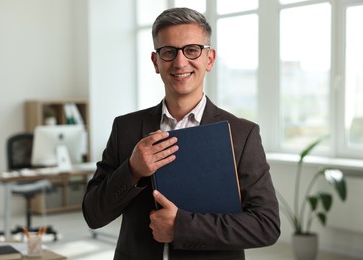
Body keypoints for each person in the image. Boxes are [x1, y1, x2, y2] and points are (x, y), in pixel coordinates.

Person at [82, 7, 280, 260]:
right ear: (156, 62)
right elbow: (93, 214)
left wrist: (181, 227)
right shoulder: (126, 128)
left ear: (209, 59)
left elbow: (266, 226)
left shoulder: (242, 134)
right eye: (168, 52)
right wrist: (132, 169)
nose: (180, 62)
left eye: (192, 50)